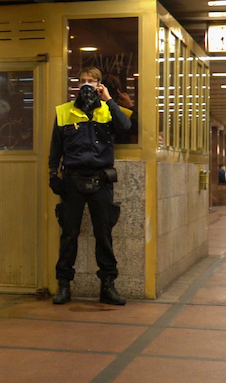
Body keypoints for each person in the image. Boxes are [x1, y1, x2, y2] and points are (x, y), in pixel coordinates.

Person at [48, 67, 131, 305]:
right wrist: (53, 174)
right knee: (69, 235)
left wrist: (109, 100)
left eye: (92, 81)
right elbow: (56, 147)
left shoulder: (109, 109)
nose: (86, 85)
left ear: (99, 84)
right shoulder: (64, 112)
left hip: (101, 180)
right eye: (82, 81)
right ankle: (64, 285)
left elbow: (125, 127)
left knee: (104, 235)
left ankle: (108, 286)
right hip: (72, 181)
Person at [101, 74, 137, 144]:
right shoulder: (126, 114)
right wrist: (130, 106)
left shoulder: (93, 112)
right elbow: (139, 129)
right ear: (118, 93)